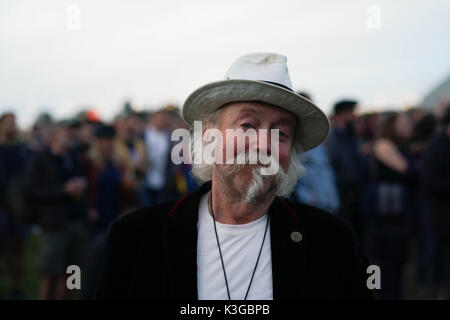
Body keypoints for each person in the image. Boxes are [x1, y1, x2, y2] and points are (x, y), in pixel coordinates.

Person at [97, 52, 373, 300]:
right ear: (208, 135)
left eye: (280, 133)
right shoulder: (136, 238)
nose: (264, 144)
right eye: (247, 125)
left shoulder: (332, 243)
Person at [25, 122, 88, 300]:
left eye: (73, 131)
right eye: (67, 131)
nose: (71, 135)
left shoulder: (75, 157)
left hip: (76, 224)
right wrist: (63, 190)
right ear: (55, 135)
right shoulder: (40, 159)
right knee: (49, 275)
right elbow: (31, 191)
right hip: (53, 226)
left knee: (72, 274)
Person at [366, 112, 415, 299]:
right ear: (392, 125)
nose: (408, 125)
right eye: (404, 122)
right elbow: (407, 170)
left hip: (397, 213)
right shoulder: (384, 144)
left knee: (396, 264)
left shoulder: (400, 145)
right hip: (386, 216)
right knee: (385, 265)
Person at [0, 112, 30, 299]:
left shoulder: (22, 151)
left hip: (18, 208)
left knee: (19, 250)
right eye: (9, 122)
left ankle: (16, 289)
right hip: (1, 207)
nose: (13, 126)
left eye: (14, 122)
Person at [421, 106, 450, 298]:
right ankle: (430, 288)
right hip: (439, 213)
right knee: (436, 255)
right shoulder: (438, 145)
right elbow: (429, 182)